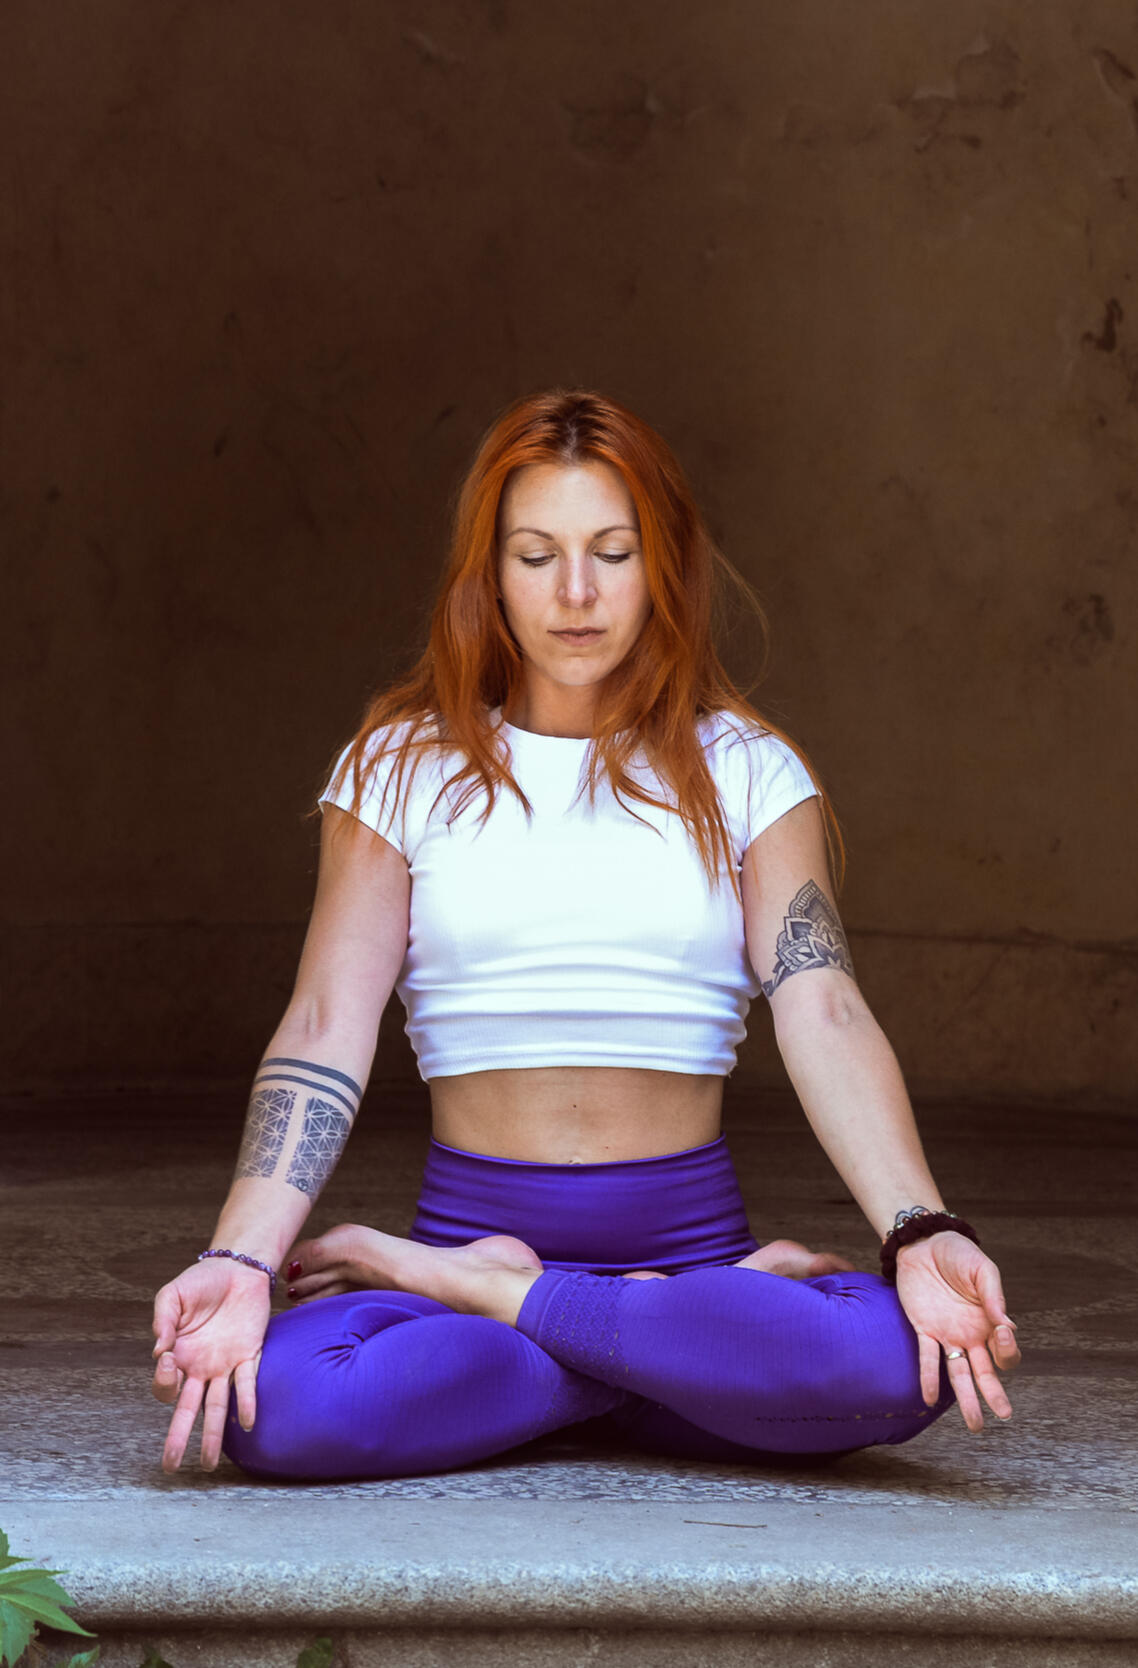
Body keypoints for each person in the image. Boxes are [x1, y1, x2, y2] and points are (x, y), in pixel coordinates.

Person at [150, 388, 1021, 1479]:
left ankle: (500, 1298)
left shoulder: (749, 771)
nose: (576, 592)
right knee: (264, 1408)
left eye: (613, 552)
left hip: (678, 1261)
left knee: (911, 1362)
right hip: (671, 1302)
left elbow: (826, 1007)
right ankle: (641, 1348)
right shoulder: (399, 768)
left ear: (663, 567)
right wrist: (241, 1257)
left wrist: (920, 1229)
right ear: (488, 574)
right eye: (536, 555)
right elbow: (326, 1019)